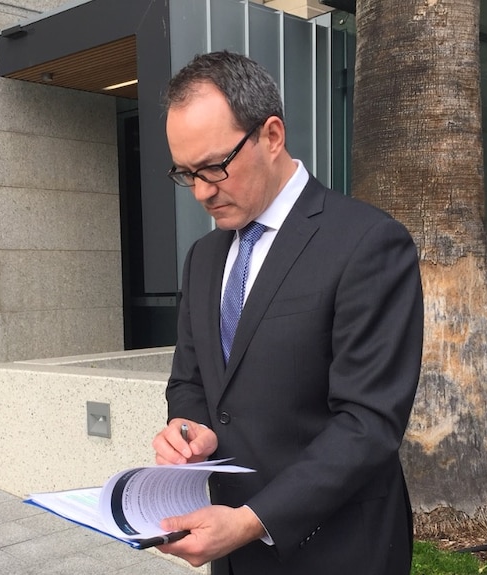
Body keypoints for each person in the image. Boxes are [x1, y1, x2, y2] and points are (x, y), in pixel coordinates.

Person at [151, 51, 424, 574]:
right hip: (229, 545)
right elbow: (190, 380)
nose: (203, 191)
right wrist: (189, 428)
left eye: (214, 166)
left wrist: (255, 519)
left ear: (271, 135)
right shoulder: (204, 258)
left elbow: (368, 422)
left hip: (340, 548)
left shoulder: (367, 243)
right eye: (187, 174)